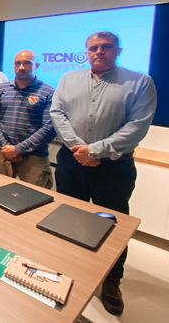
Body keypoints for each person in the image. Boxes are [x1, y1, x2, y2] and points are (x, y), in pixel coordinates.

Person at [50, 31, 157, 316]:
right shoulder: (68, 79)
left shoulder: (140, 82)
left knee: (112, 224)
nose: (99, 51)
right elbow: (57, 113)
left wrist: (95, 151)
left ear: (118, 50)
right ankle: (70, 268)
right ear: (86, 51)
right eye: (93, 48)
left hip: (113, 167)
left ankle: (111, 281)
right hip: (71, 162)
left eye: (106, 47)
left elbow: (138, 126)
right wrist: (79, 149)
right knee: (69, 218)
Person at [0, 49, 56, 188]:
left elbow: (49, 127)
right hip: (1, 151)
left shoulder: (49, 92)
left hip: (34, 155)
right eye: (17, 63)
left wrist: (18, 149)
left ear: (37, 65)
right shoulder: (1, 89)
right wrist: (6, 147)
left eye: (27, 63)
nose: (21, 67)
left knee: (36, 196)